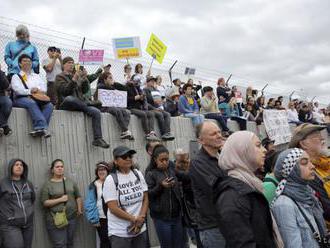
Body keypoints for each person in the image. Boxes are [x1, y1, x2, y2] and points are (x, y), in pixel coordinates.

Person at [214, 131, 280, 247]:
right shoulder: (232, 195)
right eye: (258, 145)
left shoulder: (250, 185)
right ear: (242, 151)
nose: (264, 150)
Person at [271, 148, 329, 248]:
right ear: (292, 170)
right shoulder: (284, 204)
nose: (312, 166)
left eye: (310, 162)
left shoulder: (308, 193)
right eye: (304, 163)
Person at [55, 56, 110, 148]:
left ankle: (98, 139)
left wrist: (84, 79)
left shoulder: (76, 76)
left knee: (96, 112)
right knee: (69, 98)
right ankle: (88, 103)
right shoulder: (59, 76)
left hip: (79, 104)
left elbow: (84, 91)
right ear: (63, 65)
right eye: (69, 62)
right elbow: (65, 91)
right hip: (66, 104)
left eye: (72, 62)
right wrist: (74, 79)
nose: (71, 64)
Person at [189, 121, 227, 248]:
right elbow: (219, 188)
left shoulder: (223, 157)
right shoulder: (198, 163)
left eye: (219, 132)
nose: (219, 136)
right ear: (201, 141)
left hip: (229, 222)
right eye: (213, 134)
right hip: (213, 227)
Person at [103, 146, 149, 248]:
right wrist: (134, 219)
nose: (128, 159)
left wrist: (141, 217)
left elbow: (145, 198)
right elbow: (113, 208)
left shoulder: (138, 174)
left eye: (130, 156)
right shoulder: (110, 180)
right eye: (124, 157)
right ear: (115, 161)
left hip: (140, 228)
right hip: (120, 232)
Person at [288, 123, 330, 229]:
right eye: (316, 136)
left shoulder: (326, 162)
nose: (322, 138)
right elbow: (326, 209)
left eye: (321, 134)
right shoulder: (305, 173)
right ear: (303, 144)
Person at [145, 144, 184, 248]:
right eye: (161, 160)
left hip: (176, 216)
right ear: (155, 160)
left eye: (166, 159)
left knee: (179, 245)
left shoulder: (171, 170)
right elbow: (148, 194)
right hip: (162, 218)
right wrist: (161, 186)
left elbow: (184, 177)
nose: (165, 162)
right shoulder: (150, 174)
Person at [41, 159, 83, 248]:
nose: (60, 168)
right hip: (56, 219)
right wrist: (60, 199)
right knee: (60, 245)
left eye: (61, 166)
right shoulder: (48, 184)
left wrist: (79, 209)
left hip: (71, 218)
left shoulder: (70, 182)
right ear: (52, 170)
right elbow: (45, 202)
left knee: (70, 243)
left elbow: (78, 196)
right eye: (57, 167)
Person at [11, 54, 53, 138]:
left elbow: (44, 88)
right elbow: (17, 90)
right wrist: (30, 91)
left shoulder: (37, 76)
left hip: (37, 97)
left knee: (50, 105)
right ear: (20, 64)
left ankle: (40, 129)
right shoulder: (16, 76)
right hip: (20, 99)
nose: (28, 62)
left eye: (29, 61)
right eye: (25, 61)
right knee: (31, 103)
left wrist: (36, 90)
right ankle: (41, 127)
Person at [0, 159, 35, 248]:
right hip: (10, 225)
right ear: (11, 167)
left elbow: (32, 199)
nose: (19, 166)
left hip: (28, 224)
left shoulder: (28, 183)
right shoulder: (3, 183)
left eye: (21, 165)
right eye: (16, 164)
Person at [96, 72, 134, 140]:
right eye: (110, 78)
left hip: (112, 106)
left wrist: (115, 83)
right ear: (105, 79)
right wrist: (114, 88)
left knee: (127, 112)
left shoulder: (112, 86)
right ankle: (125, 130)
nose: (112, 79)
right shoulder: (100, 85)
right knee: (118, 110)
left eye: (112, 78)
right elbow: (104, 87)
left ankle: (124, 131)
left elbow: (125, 88)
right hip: (104, 107)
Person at [84, 162, 111, 248]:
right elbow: (90, 203)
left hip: (114, 216)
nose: (101, 171)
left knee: (115, 240)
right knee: (105, 240)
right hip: (101, 218)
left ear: (107, 171)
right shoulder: (94, 185)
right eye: (99, 170)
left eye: (103, 169)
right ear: (97, 172)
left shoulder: (112, 182)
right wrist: (94, 219)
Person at [126, 75, 159, 141]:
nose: (137, 83)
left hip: (139, 108)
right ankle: (147, 133)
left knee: (151, 114)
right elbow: (126, 99)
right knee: (143, 114)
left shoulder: (139, 89)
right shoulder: (127, 88)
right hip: (131, 107)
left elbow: (143, 101)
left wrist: (142, 98)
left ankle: (152, 132)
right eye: (136, 81)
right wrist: (135, 98)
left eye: (138, 81)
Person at [0, 65, 12, 136]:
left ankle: (2, 125)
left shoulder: (1, 74)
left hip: (1, 96)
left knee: (8, 102)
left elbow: (7, 86)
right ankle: (4, 125)